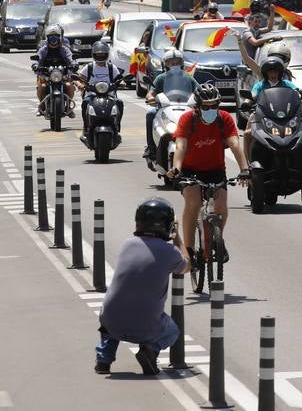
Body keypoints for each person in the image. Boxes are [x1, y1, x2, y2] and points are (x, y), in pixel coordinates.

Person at [95, 198, 190, 375]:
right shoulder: (171, 253)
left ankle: (103, 360)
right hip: (146, 327)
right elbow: (187, 266)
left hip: (110, 321)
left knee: (111, 322)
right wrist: (177, 237)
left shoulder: (127, 244)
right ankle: (150, 350)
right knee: (172, 330)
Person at [166, 83, 249, 261]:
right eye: (206, 107)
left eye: (214, 106)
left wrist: (244, 169)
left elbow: (234, 143)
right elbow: (180, 145)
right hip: (189, 171)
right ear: (197, 107)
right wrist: (176, 168)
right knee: (193, 202)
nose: (211, 110)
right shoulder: (188, 119)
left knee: (221, 206)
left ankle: (216, 238)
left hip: (215, 169)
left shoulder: (224, 118)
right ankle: (188, 249)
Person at [244, 56, 302, 161]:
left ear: (280, 73)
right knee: (247, 134)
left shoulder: (287, 84)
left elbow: (297, 95)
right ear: (266, 73)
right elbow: (252, 96)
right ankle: (247, 165)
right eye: (270, 72)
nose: (273, 74)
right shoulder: (259, 85)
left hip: (288, 117)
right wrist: (246, 103)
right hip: (262, 116)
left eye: (275, 72)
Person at [142, 48, 195, 160]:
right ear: (165, 64)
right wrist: (151, 98)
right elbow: (151, 93)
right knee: (150, 115)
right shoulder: (161, 78)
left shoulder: (188, 77)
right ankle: (151, 149)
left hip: (186, 108)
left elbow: (199, 90)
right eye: (171, 62)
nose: (174, 64)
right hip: (165, 109)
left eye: (177, 61)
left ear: (182, 63)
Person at [78, 41, 123, 141]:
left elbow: (120, 78)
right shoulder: (89, 67)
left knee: (119, 102)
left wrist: (122, 83)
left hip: (109, 94)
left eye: (103, 53)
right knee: (85, 102)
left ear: (107, 54)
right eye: (98, 54)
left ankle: (117, 126)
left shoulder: (111, 67)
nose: (100, 55)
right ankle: (86, 126)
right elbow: (80, 78)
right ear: (94, 54)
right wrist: (80, 84)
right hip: (92, 94)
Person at [32, 24, 77, 115]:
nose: (53, 39)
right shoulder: (43, 50)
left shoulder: (65, 49)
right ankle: (42, 105)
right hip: (46, 75)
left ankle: (68, 106)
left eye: (56, 36)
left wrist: (74, 65)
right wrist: (36, 65)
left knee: (69, 85)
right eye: (51, 37)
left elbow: (71, 58)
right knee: (42, 86)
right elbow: (38, 59)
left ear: (59, 37)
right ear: (47, 38)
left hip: (63, 75)